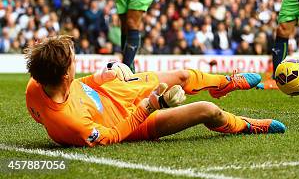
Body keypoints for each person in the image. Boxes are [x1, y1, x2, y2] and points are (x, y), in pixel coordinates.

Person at [25, 35, 285, 147]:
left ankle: (224, 84)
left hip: (114, 91)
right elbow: (114, 136)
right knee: (207, 110)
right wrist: (150, 106)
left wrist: (104, 75)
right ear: (63, 74)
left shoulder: (37, 84)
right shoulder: (73, 125)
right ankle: (246, 126)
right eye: (73, 61)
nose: (76, 62)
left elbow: (78, 84)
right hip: (131, 121)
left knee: (183, 75)